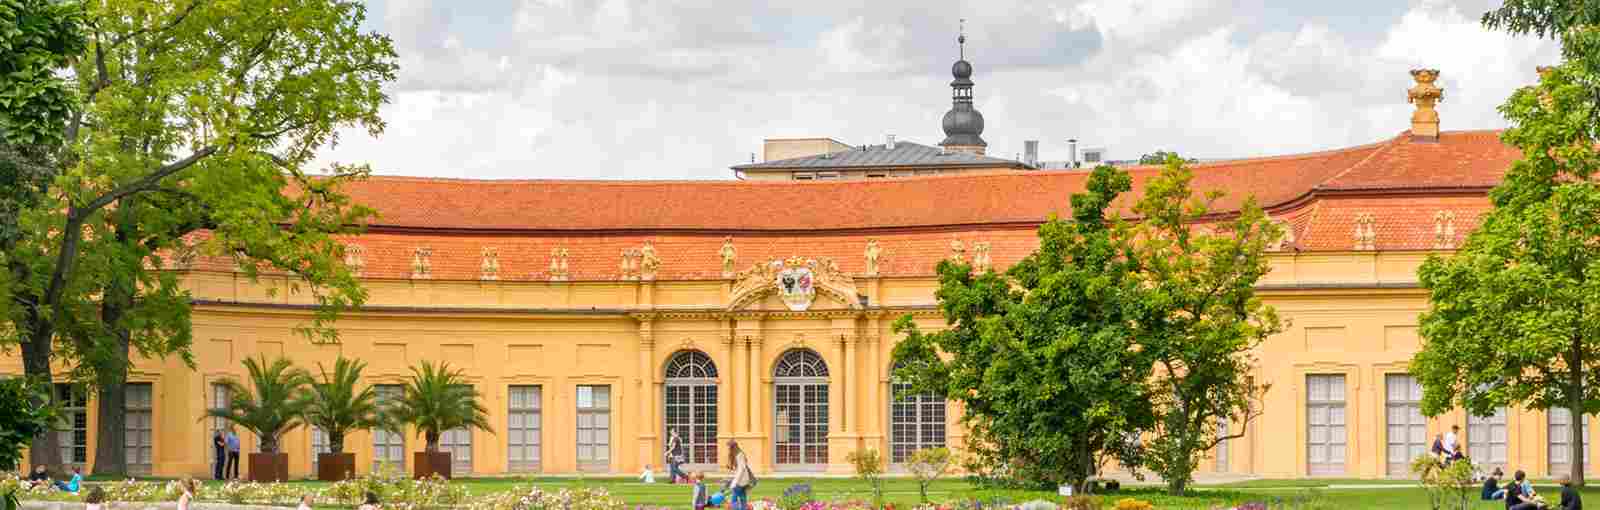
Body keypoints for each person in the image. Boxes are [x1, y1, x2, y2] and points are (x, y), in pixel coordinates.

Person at [723, 440, 756, 510]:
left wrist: (734, 483)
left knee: (734, 499)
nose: (728, 449)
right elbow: (738, 469)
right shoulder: (737, 454)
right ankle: (744, 508)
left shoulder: (739, 455)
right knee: (742, 497)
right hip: (742, 480)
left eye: (729, 447)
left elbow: (741, 469)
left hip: (741, 480)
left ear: (733, 447)